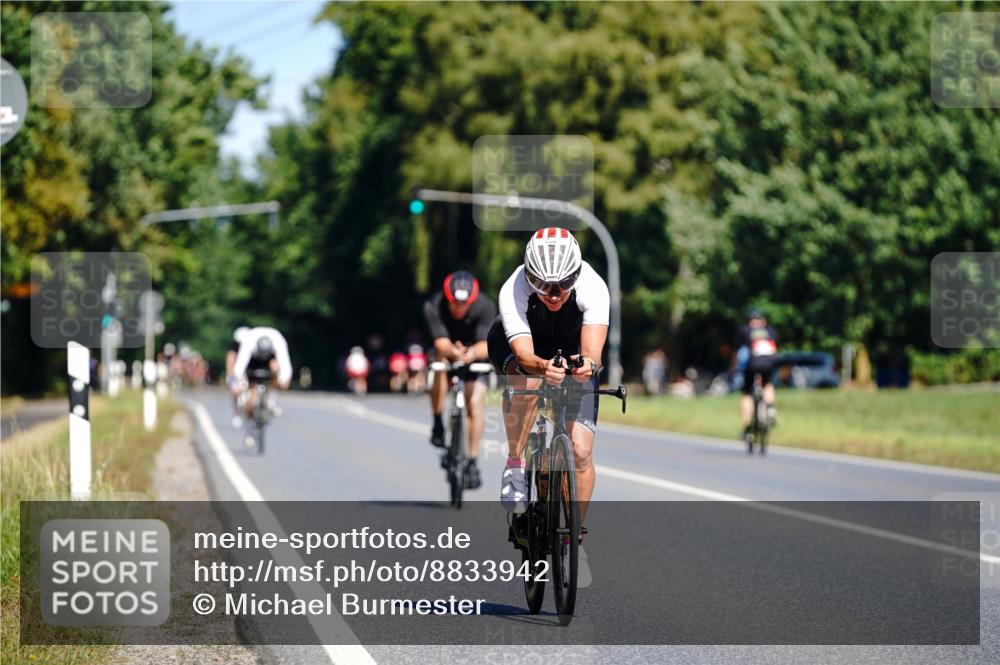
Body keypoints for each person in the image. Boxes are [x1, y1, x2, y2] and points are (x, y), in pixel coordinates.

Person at [487, 227, 608, 587]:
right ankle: (515, 463)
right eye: (543, 284)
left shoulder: (593, 286)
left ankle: (574, 539)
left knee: (582, 452)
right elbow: (524, 354)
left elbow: (593, 354)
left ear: (577, 273)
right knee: (526, 380)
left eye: (563, 284)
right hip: (524, 345)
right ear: (529, 274)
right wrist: (543, 368)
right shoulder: (513, 288)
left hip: (571, 344)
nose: (554, 295)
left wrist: (586, 366)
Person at [423, 270, 498, 490]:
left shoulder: (485, 306)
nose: (458, 308)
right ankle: (438, 421)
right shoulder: (434, 305)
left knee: (474, 402)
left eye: (463, 304)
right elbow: (440, 342)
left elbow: (487, 344)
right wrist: (454, 354)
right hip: (447, 351)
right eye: (454, 303)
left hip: (475, 354)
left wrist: (471, 353)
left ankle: (472, 460)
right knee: (438, 365)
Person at [231, 326, 293, 445]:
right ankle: (249, 429)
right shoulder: (249, 341)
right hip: (252, 361)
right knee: (250, 397)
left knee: (277, 370)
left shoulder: (278, 342)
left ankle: (272, 399)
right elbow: (239, 366)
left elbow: (285, 365)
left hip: (271, 360)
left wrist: (283, 380)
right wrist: (239, 383)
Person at [734, 307, 778, 441]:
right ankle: (770, 408)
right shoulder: (770, 331)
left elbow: (738, 350)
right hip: (769, 364)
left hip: (752, 366)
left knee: (746, 394)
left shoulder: (745, 330)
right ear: (763, 321)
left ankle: (747, 429)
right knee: (767, 384)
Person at [226, 326, 250, 428]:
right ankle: (236, 414)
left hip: (249, 375)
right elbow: (230, 364)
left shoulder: (253, 349)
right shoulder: (233, 351)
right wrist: (231, 378)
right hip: (237, 375)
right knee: (235, 392)